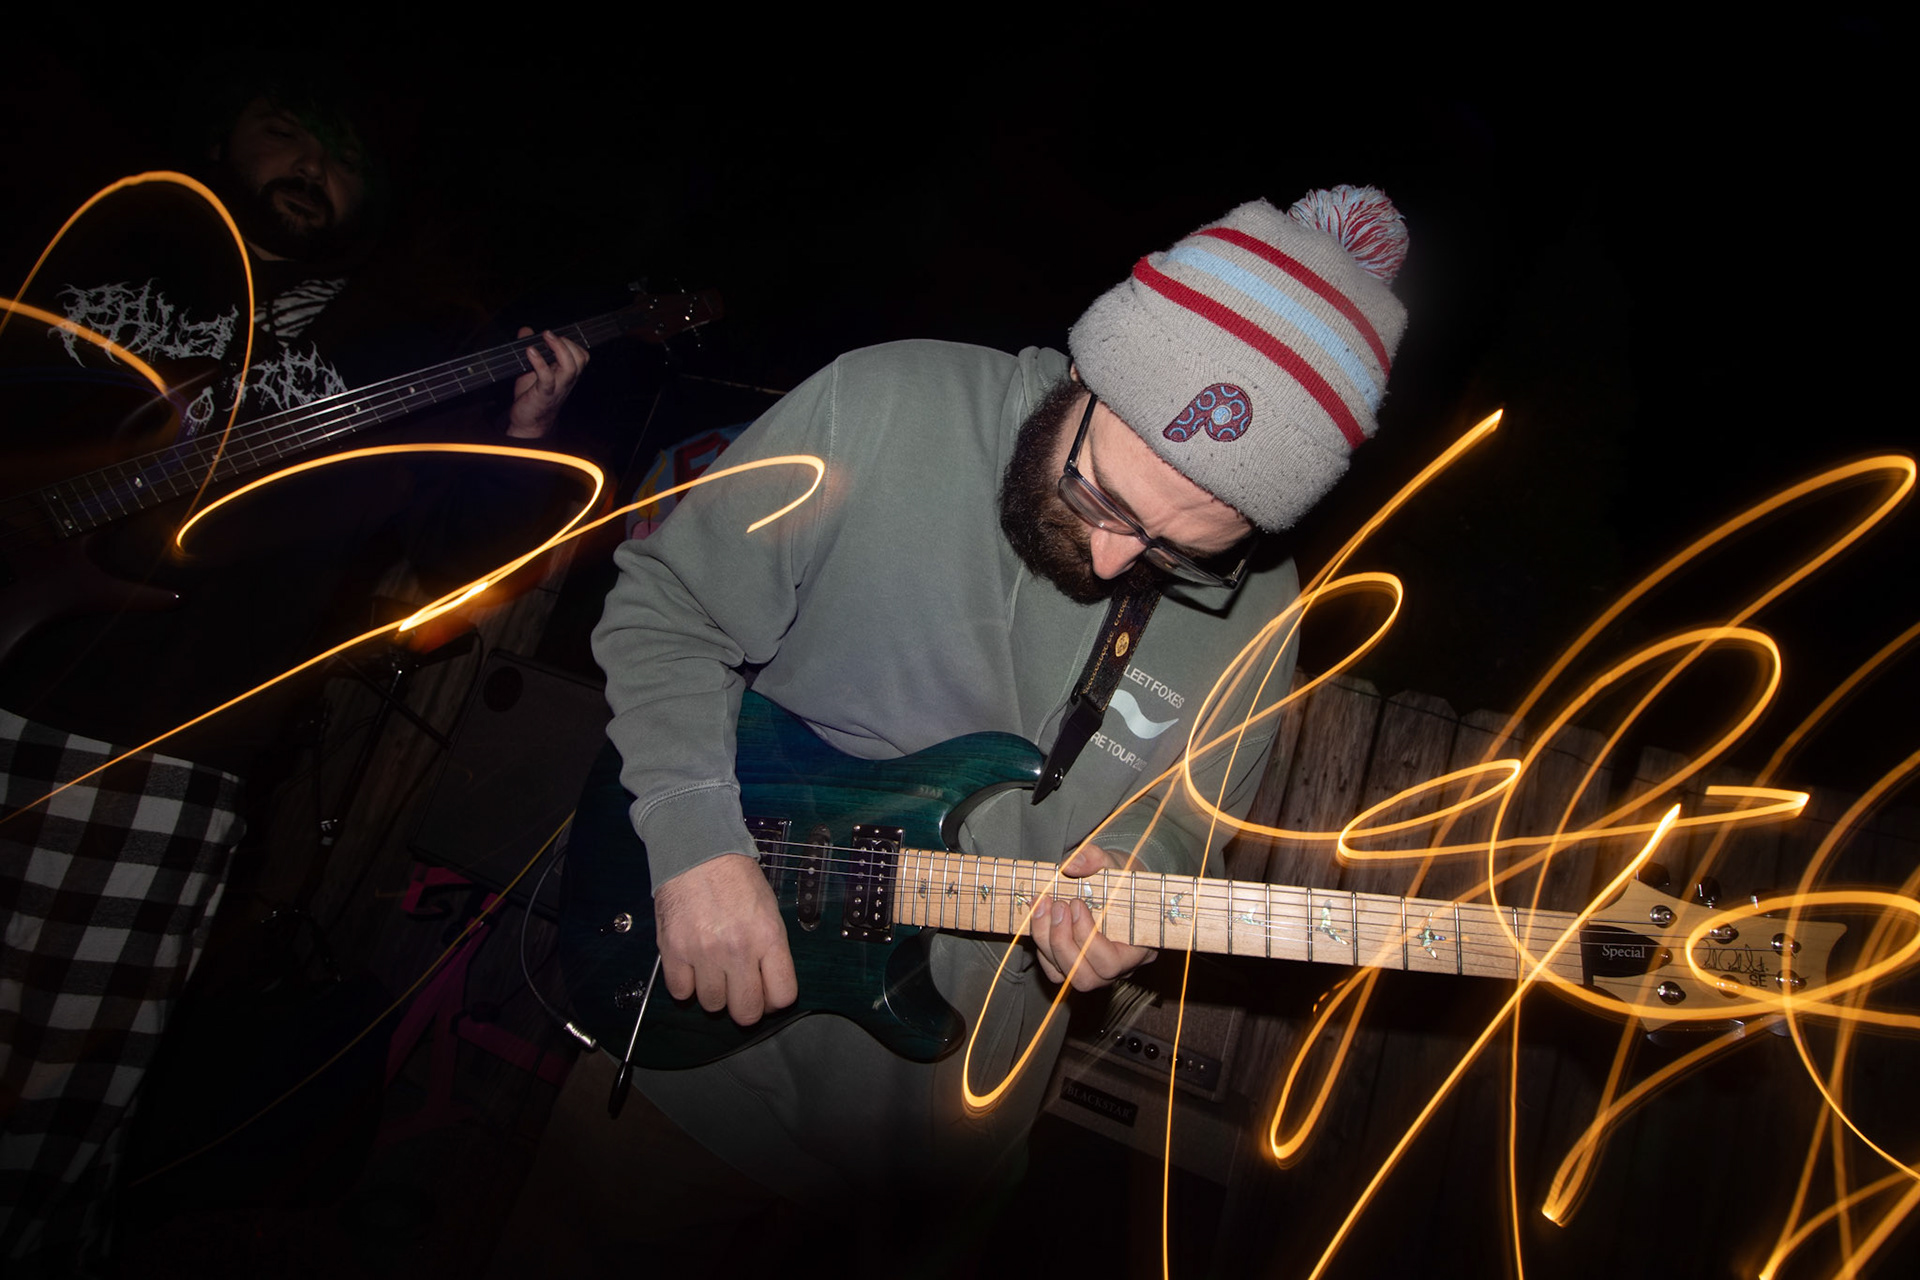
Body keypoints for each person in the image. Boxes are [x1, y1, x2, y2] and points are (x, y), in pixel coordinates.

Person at [493, 188, 1410, 1272]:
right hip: (699, 1079)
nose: (1113, 560)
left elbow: (1183, 822)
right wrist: (695, 843)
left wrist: (1143, 873)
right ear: (1089, 372)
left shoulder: (1264, 610)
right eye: (1105, 497)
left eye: (1182, 553)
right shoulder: (885, 402)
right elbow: (666, 609)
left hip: (943, 1159)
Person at [0, 77, 587, 1273]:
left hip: (154, 755)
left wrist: (527, 441)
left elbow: (456, 557)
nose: (315, 165)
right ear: (220, 132)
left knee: (47, 1105)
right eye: (290, 130)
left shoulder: (405, 343)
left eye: (346, 155)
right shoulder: (85, 242)